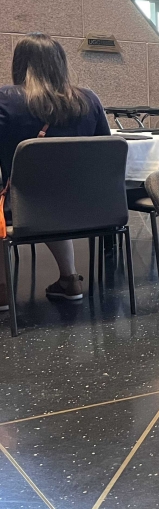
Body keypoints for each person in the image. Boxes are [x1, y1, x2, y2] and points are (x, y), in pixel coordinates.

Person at [0, 33, 110, 306]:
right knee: (54, 192)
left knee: (31, 194)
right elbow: (106, 152)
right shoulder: (89, 100)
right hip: (88, 207)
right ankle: (70, 279)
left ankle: (2, 290)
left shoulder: (5, 100)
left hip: (25, 207)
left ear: (20, 63)